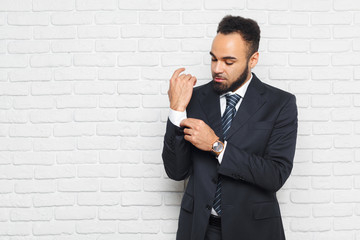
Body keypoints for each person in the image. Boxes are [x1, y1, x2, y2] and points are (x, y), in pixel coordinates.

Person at [162, 15, 298, 240]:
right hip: (198, 229)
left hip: (254, 231)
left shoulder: (280, 104)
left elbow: (275, 175)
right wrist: (177, 109)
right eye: (213, 59)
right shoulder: (193, 98)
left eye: (228, 61)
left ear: (253, 60)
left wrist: (216, 146)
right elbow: (176, 172)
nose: (217, 68)